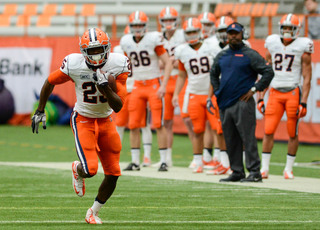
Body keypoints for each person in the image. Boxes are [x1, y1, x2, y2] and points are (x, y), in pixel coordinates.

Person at [31, 28, 130, 224]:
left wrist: (105, 88)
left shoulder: (118, 64)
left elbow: (118, 106)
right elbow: (50, 81)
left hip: (107, 119)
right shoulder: (74, 64)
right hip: (83, 118)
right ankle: (78, 169)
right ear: (83, 51)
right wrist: (40, 110)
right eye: (91, 51)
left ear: (107, 48)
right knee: (91, 169)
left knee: (113, 172)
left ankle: (93, 212)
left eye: (99, 49)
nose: (96, 55)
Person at [210, 22, 274, 182]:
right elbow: (213, 73)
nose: (233, 36)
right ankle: (237, 171)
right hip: (225, 103)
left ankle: (254, 172)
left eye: (236, 33)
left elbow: (268, 71)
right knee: (231, 139)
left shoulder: (249, 54)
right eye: (230, 33)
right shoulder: (222, 55)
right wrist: (217, 92)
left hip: (243, 102)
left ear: (242, 34)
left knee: (247, 138)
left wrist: (255, 89)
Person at [258, 14, 313, 179]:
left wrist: (304, 102)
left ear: (297, 30)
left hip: (293, 92)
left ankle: (288, 169)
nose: (287, 31)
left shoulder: (303, 47)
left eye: (291, 28)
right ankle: (264, 168)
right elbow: (266, 73)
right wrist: (261, 97)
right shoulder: (273, 43)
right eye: (285, 28)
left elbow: (307, 77)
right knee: (268, 130)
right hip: (274, 92)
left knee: (292, 132)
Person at [121, 11, 173, 171]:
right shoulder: (126, 41)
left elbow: (168, 62)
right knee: (134, 124)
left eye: (140, 25)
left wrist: (163, 85)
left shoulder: (153, 40)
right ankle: (136, 162)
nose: (137, 28)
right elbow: (125, 64)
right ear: (130, 26)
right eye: (134, 25)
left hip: (153, 84)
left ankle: (164, 161)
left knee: (158, 123)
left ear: (145, 26)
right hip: (136, 85)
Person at [173, 18, 220, 173]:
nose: (192, 34)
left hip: (211, 94)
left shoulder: (211, 47)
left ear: (200, 32)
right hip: (194, 93)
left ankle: (218, 160)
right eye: (189, 32)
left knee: (217, 128)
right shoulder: (182, 51)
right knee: (197, 129)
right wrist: (176, 94)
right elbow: (181, 75)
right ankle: (199, 161)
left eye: (194, 31)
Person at [113, 26, 153, 167]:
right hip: (124, 91)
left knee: (141, 124)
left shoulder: (144, 47)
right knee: (120, 125)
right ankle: (114, 156)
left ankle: (146, 157)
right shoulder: (118, 50)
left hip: (137, 89)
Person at [155, 6, 187, 167]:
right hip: (166, 81)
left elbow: (182, 60)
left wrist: (169, 62)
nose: (168, 23)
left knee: (191, 118)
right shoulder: (158, 38)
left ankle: (204, 157)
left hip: (183, 80)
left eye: (170, 20)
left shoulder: (184, 35)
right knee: (166, 121)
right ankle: (167, 158)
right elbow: (160, 62)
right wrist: (169, 62)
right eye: (165, 20)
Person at [205, 16, 235, 175]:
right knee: (220, 129)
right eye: (221, 31)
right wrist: (210, 96)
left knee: (237, 129)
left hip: (236, 92)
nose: (224, 34)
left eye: (227, 30)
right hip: (220, 92)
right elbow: (214, 75)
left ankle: (238, 163)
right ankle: (224, 163)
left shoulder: (243, 47)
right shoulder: (212, 47)